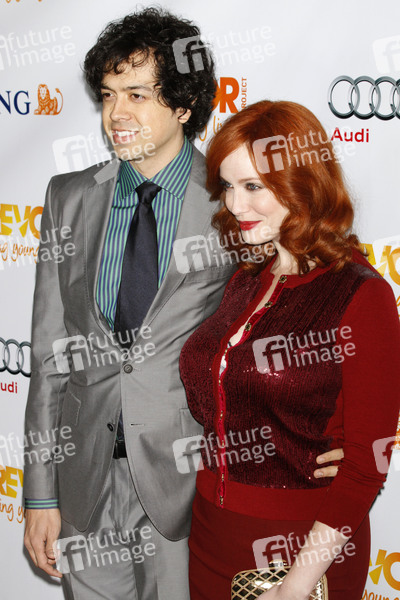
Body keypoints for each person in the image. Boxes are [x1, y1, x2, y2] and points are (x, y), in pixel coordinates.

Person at [23, 9, 343, 600]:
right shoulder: (68, 197)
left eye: (138, 95)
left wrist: (331, 428)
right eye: (109, 95)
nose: (117, 114)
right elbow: (49, 355)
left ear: (184, 107)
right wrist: (40, 495)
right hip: (83, 481)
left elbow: (305, 308)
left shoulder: (233, 200)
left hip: (190, 484)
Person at [180, 100, 400, 600]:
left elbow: (366, 463)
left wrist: (295, 587)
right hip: (211, 535)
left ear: (302, 183)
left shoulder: (360, 294)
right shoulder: (246, 279)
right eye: (228, 186)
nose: (235, 205)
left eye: (253, 186)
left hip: (301, 553)